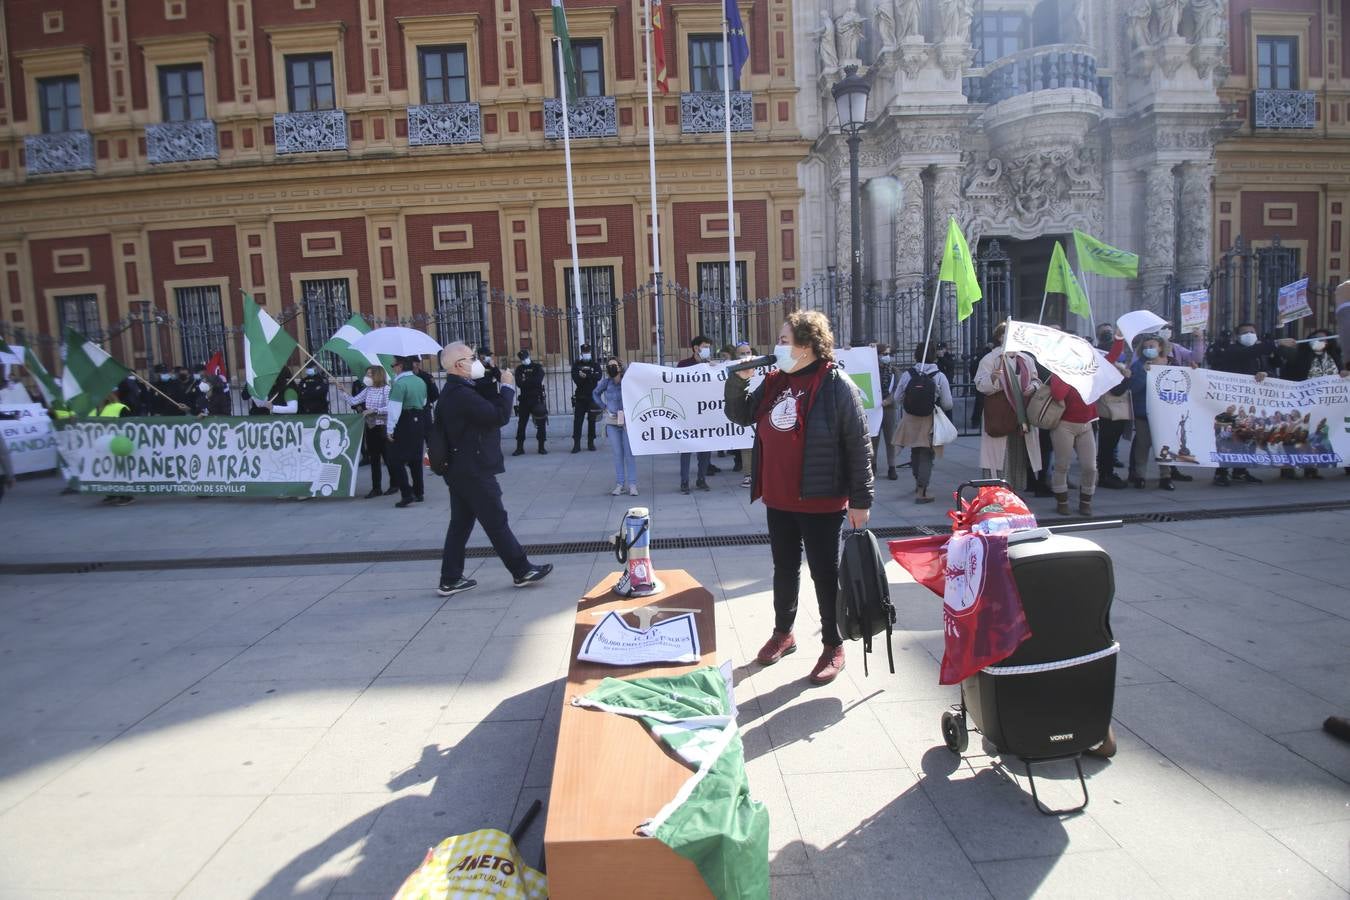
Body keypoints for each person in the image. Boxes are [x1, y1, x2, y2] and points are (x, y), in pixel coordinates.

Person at [724, 310, 873, 686]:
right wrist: (738, 381)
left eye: (785, 340)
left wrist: (861, 500)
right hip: (779, 497)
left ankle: (832, 644)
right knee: (784, 568)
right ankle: (783, 632)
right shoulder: (776, 380)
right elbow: (741, 414)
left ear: (807, 347)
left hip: (821, 499)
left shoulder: (836, 384)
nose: (778, 347)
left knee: (825, 574)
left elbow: (858, 444)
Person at [436, 341, 552, 596]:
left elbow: (484, 405)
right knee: (496, 520)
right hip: (474, 469)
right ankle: (521, 570)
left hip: (459, 468)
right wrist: (508, 385)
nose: (476, 361)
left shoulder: (456, 391)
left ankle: (450, 578)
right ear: (459, 365)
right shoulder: (461, 395)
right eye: (471, 358)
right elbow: (498, 416)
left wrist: (492, 379)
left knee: (460, 524)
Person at [974, 323, 1041, 480]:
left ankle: (1015, 491)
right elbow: (980, 385)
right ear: (1000, 337)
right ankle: (997, 489)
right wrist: (994, 378)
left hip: (1020, 412)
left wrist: (1033, 386)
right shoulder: (990, 359)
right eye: (1007, 334)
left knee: (1018, 452)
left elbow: (1036, 379)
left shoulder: (1026, 359)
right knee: (999, 455)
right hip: (999, 412)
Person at [1208, 321, 1270, 486]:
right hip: (1231, 401)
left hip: (1250, 403)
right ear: (1237, 336)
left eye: (1252, 331)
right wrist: (1275, 344)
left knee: (1247, 436)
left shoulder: (1258, 353)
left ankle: (1240, 470)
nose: (1249, 334)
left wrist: (1264, 373)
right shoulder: (1233, 350)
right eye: (1245, 332)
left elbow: (1266, 367)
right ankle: (1221, 472)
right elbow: (1247, 354)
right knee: (1228, 438)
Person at [1276, 329, 1343, 480]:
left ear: (1328, 343)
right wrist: (1281, 333)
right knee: (1294, 435)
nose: (1318, 341)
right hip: (1301, 402)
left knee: (1314, 436)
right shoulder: (1301, 355)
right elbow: (1284, 355)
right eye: (1315, 338)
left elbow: (1339, 373)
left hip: (1324, 404)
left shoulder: (1333, 357)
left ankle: (1311, 467)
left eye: (1322, 339)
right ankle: (1288, 468)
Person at [896, 341, 954, 503]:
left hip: (911, 418)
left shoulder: (908, 375)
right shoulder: (940, 376)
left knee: (915, 451)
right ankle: (922, 490)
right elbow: (948, 403)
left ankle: (918, 482)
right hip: (930, 418)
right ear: (934, 355)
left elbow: (897, 397)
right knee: (927, 455)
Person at [1048, 370, 1099, 516]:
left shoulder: (1090, 371)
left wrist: (1121, 345)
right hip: (1064, 424)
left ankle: (1086, 502)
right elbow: (1058, 395)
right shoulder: (1060, 372)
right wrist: (1070, 376)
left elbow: (1111, 359)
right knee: (1062, 465)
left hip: (1086, 424)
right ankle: (1062, 502)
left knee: (1090, 467)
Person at [1127, 334, 1172, 491]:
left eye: (1151, 346)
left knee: (1164, 446)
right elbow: (1133, 389)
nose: (1148, 349)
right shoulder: (1138, 365)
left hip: (1165, 413)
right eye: (1145, 347)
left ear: (1160, 347)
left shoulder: (1171, 363)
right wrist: (1143, 373)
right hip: (1143, 413)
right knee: (1142, 445)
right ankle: (1140, 476)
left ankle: (1166, 476)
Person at [387, 355, 428, 507]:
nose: (393, 368)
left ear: (401, 366)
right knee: (416, 458)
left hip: (404, 420)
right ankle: (419, 492)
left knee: (395, 459)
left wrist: (389, 429)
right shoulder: (420, 381)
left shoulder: (399, 384)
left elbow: (394, 409)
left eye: (394, 365)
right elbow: (424, 402)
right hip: (419, 419)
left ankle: (407, 492)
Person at [593, 357, 637, 495]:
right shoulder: (606, 383)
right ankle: (619, 484)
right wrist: (604, 406)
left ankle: (632, 484)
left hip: (627, 422)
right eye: (609, 365)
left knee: (629, 454)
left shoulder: (627, 381)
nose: (611, 368)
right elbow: (595, 393)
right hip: (612, 421)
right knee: (618, 454)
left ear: (620, 367)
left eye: (614, 365)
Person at [351, 365, 395, 498]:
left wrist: (375, 410)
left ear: (377, 375)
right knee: (374, 458)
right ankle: (376, 487)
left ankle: (395, 484)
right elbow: (354, 400)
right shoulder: (368, 390)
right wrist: (342, 392)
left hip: (383, 427)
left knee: (388, 458)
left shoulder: (386, 389)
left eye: (370, 374)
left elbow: (390, 406)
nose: (367, 377)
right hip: (371, 427)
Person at [679, 335, 715, 493]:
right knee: (686, 449)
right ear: (695, 348)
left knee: (705, 448)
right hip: (688, 413)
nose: (707, 350)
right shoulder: (683, 365)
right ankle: (684, 481)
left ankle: (702, 479)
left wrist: (713, 368)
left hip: (705, 413)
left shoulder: (711, 366)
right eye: (705, 346)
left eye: (708, 347)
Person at [97, 388, 135, 506]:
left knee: (121, 469)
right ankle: (112, 493)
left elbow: (129, 424)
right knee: (109, 468)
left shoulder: (120, 407)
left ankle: (127, 495)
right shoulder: (97, 410)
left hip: (119, 444)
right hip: (105, 445)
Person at [873, 343, 902, 481]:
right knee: (874, 439)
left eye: (889, 354)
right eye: (884, 354)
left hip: (889, 408)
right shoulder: (871, 369)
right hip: (875, 409)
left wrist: (889, 400)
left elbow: (897, 388)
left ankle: (892, 467)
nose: (887, 357)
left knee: (891, 439)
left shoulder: (894, 371)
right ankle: (872, 465)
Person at [512, 349, 547, 455]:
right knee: (521, 424)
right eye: (522, 359)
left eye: (525, 358)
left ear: (529, 356)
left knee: (541, 423)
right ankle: (519, 447)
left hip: (536, 399)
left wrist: (526, 381)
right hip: (524, 400)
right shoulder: (519, 369)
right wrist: (530, 381)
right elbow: (519, 383)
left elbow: (538, 380)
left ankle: (541, 447)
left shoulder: (537, 367)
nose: (524, 360)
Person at [570, 343, 601, 453]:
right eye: (584, 352)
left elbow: (598, 377)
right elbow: (576, 379)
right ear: (581, 353)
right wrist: (589, 377)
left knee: (592, 421)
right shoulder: (577, 365)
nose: (586, 354)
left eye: (588, 352)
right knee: (578, 422)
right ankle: (576, 444)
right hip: (580, 397)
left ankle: (591, 442)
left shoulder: (595, 364)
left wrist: (586, 376)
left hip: (591, 397)